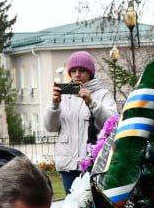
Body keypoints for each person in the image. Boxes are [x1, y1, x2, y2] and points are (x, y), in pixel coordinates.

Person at [46, 51, 116, 194]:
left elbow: (112, 123)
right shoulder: (63, 96)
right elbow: (50, 127)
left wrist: (92, 102)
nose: (77, 74)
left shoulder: (102, 94)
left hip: (93, 163)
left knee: (93, 207)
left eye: (82, 70)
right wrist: (54, 105)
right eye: (73, 71)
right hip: (68, 165)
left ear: (90, 72)